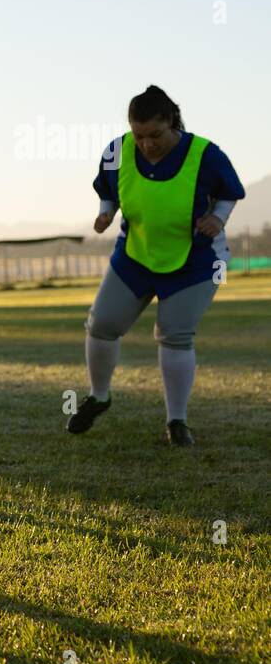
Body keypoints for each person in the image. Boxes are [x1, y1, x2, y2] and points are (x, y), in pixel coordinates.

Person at [67, 85, 244, 445]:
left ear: (171, 123)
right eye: (139, 135)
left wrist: (219, 218)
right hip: (135, 255)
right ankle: (99, 396)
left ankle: (176, 421)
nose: (147, 144)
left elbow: (230, 192)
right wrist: (105, 212)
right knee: (101, 324)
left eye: (155, 135)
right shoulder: (118, 151)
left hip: (195, 260)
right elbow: (108, 189)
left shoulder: (205, 154)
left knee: (175, 336)